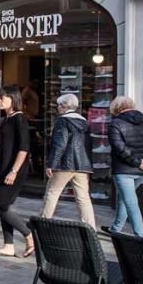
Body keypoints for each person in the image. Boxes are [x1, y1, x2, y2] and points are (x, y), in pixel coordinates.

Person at [0, 86, 33, 257]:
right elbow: (7, 145)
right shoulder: (7, 119)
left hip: (14, 168)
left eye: (1, 98)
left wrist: (14, 171)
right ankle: (8, 246)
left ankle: (29, 235)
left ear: (12, 98)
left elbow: (23, 148)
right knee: (4, 206)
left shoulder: (19, 119)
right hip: (5, 165)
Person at [105, 96, 143, 237]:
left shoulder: (114, 124)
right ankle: (116, 228)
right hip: (142, 170)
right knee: (124, 198)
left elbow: (119, 148)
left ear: (116, 108)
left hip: (124, 169)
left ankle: (140, 236)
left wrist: (138, 162)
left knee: (131, 202)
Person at [39, 93, 95, 228]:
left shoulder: (62, 121)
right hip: (82, 165)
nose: (58, 108)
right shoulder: (84, 122)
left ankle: (43, 223)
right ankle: (91, 228)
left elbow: (60, 144)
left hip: (64, 164)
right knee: (83, 198)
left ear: (64, 106)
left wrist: (51, 163)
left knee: (52, 193)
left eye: (59, 105)